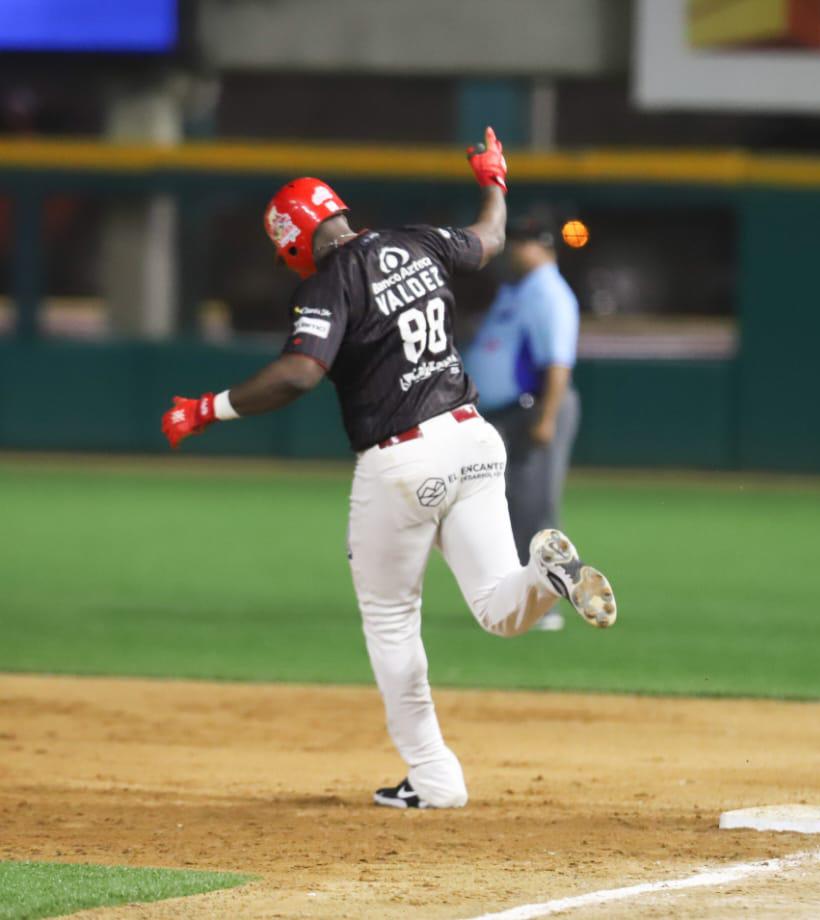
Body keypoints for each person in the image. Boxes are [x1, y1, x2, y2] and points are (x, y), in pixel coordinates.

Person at [160, 128, 617, 811]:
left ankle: (434, 778)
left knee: (391, 620)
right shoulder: (417, 239)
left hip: (402, 459)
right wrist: (494, 176)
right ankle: (546, 572)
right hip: (474, 439)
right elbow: (490, 239)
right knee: (500, 608)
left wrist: (207, 408)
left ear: (292, 239)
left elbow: (298, 372)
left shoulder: (330, 279)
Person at [462, 214, 581, 632]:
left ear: (542, 247)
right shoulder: (519, 290)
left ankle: (546, 605)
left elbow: (558, 363)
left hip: (532, 410)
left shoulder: (549, 293)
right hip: (505, 413)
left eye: (520, 242)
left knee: (533, 507)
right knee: (508, 508)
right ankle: (517, 599)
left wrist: (546, 417)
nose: (512, 249)